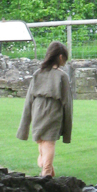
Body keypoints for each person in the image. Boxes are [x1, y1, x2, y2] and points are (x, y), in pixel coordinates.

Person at [17, 41, 73, 177]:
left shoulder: (38, 73)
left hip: (37, 110)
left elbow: (28, 101)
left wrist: (23, 129)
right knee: (47, 142)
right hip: (53, 112)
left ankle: (47, 169)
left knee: (42, 141)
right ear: (60, 57)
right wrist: (67, 133)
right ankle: (47, 172)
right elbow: (67, 104)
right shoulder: (62, 76)